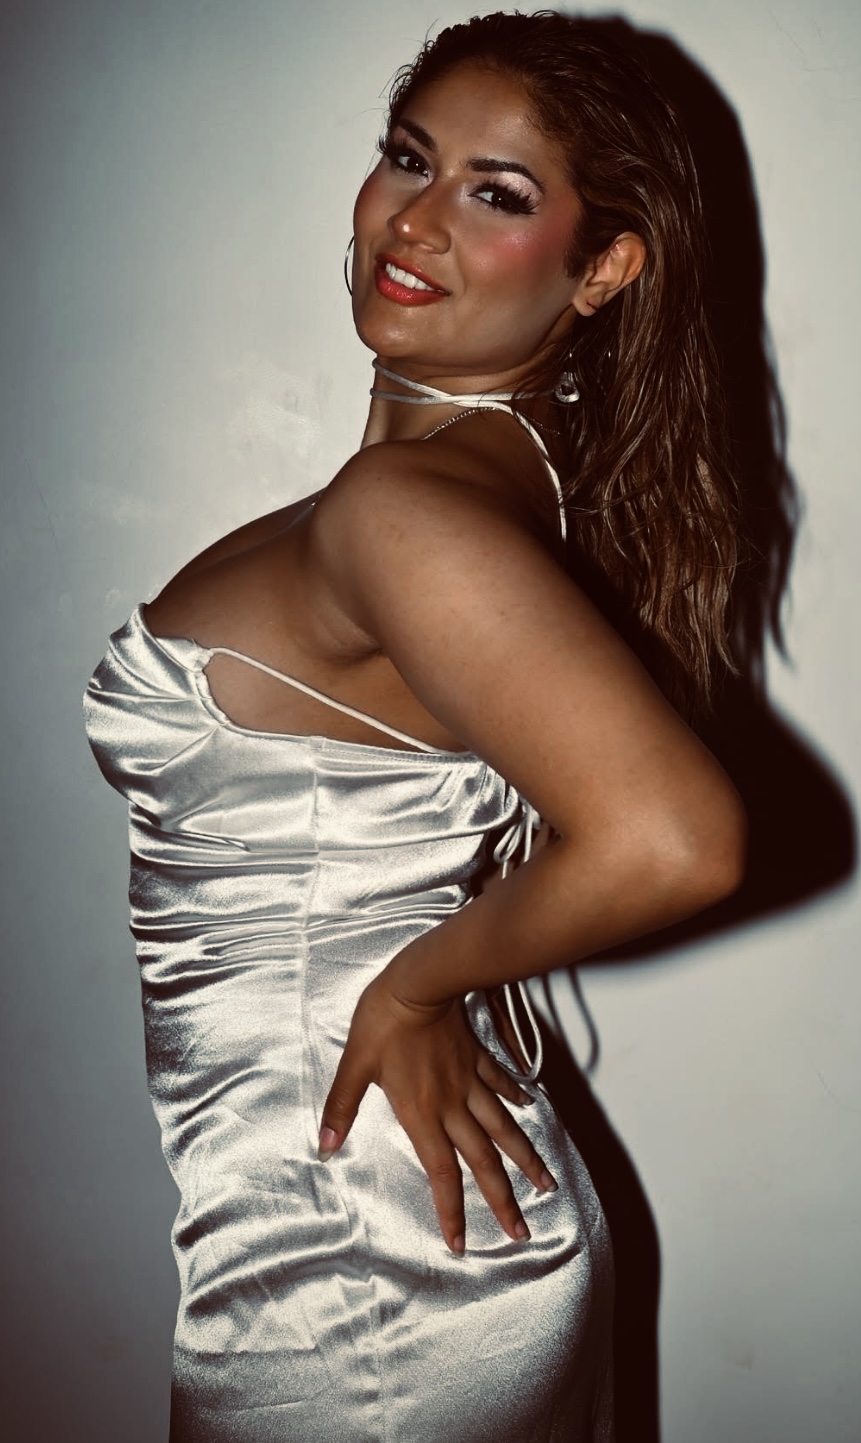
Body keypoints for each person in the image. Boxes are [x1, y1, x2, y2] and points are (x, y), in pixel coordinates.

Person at [84, 12, 745, 1442]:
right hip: (385, 1227)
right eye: (408, 158)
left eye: (495, 194)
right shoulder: (476, 488)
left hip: (358, 1272)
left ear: (603, 268)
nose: (416, 219)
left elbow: (674, 841)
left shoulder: (405, 512)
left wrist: (411, 991)